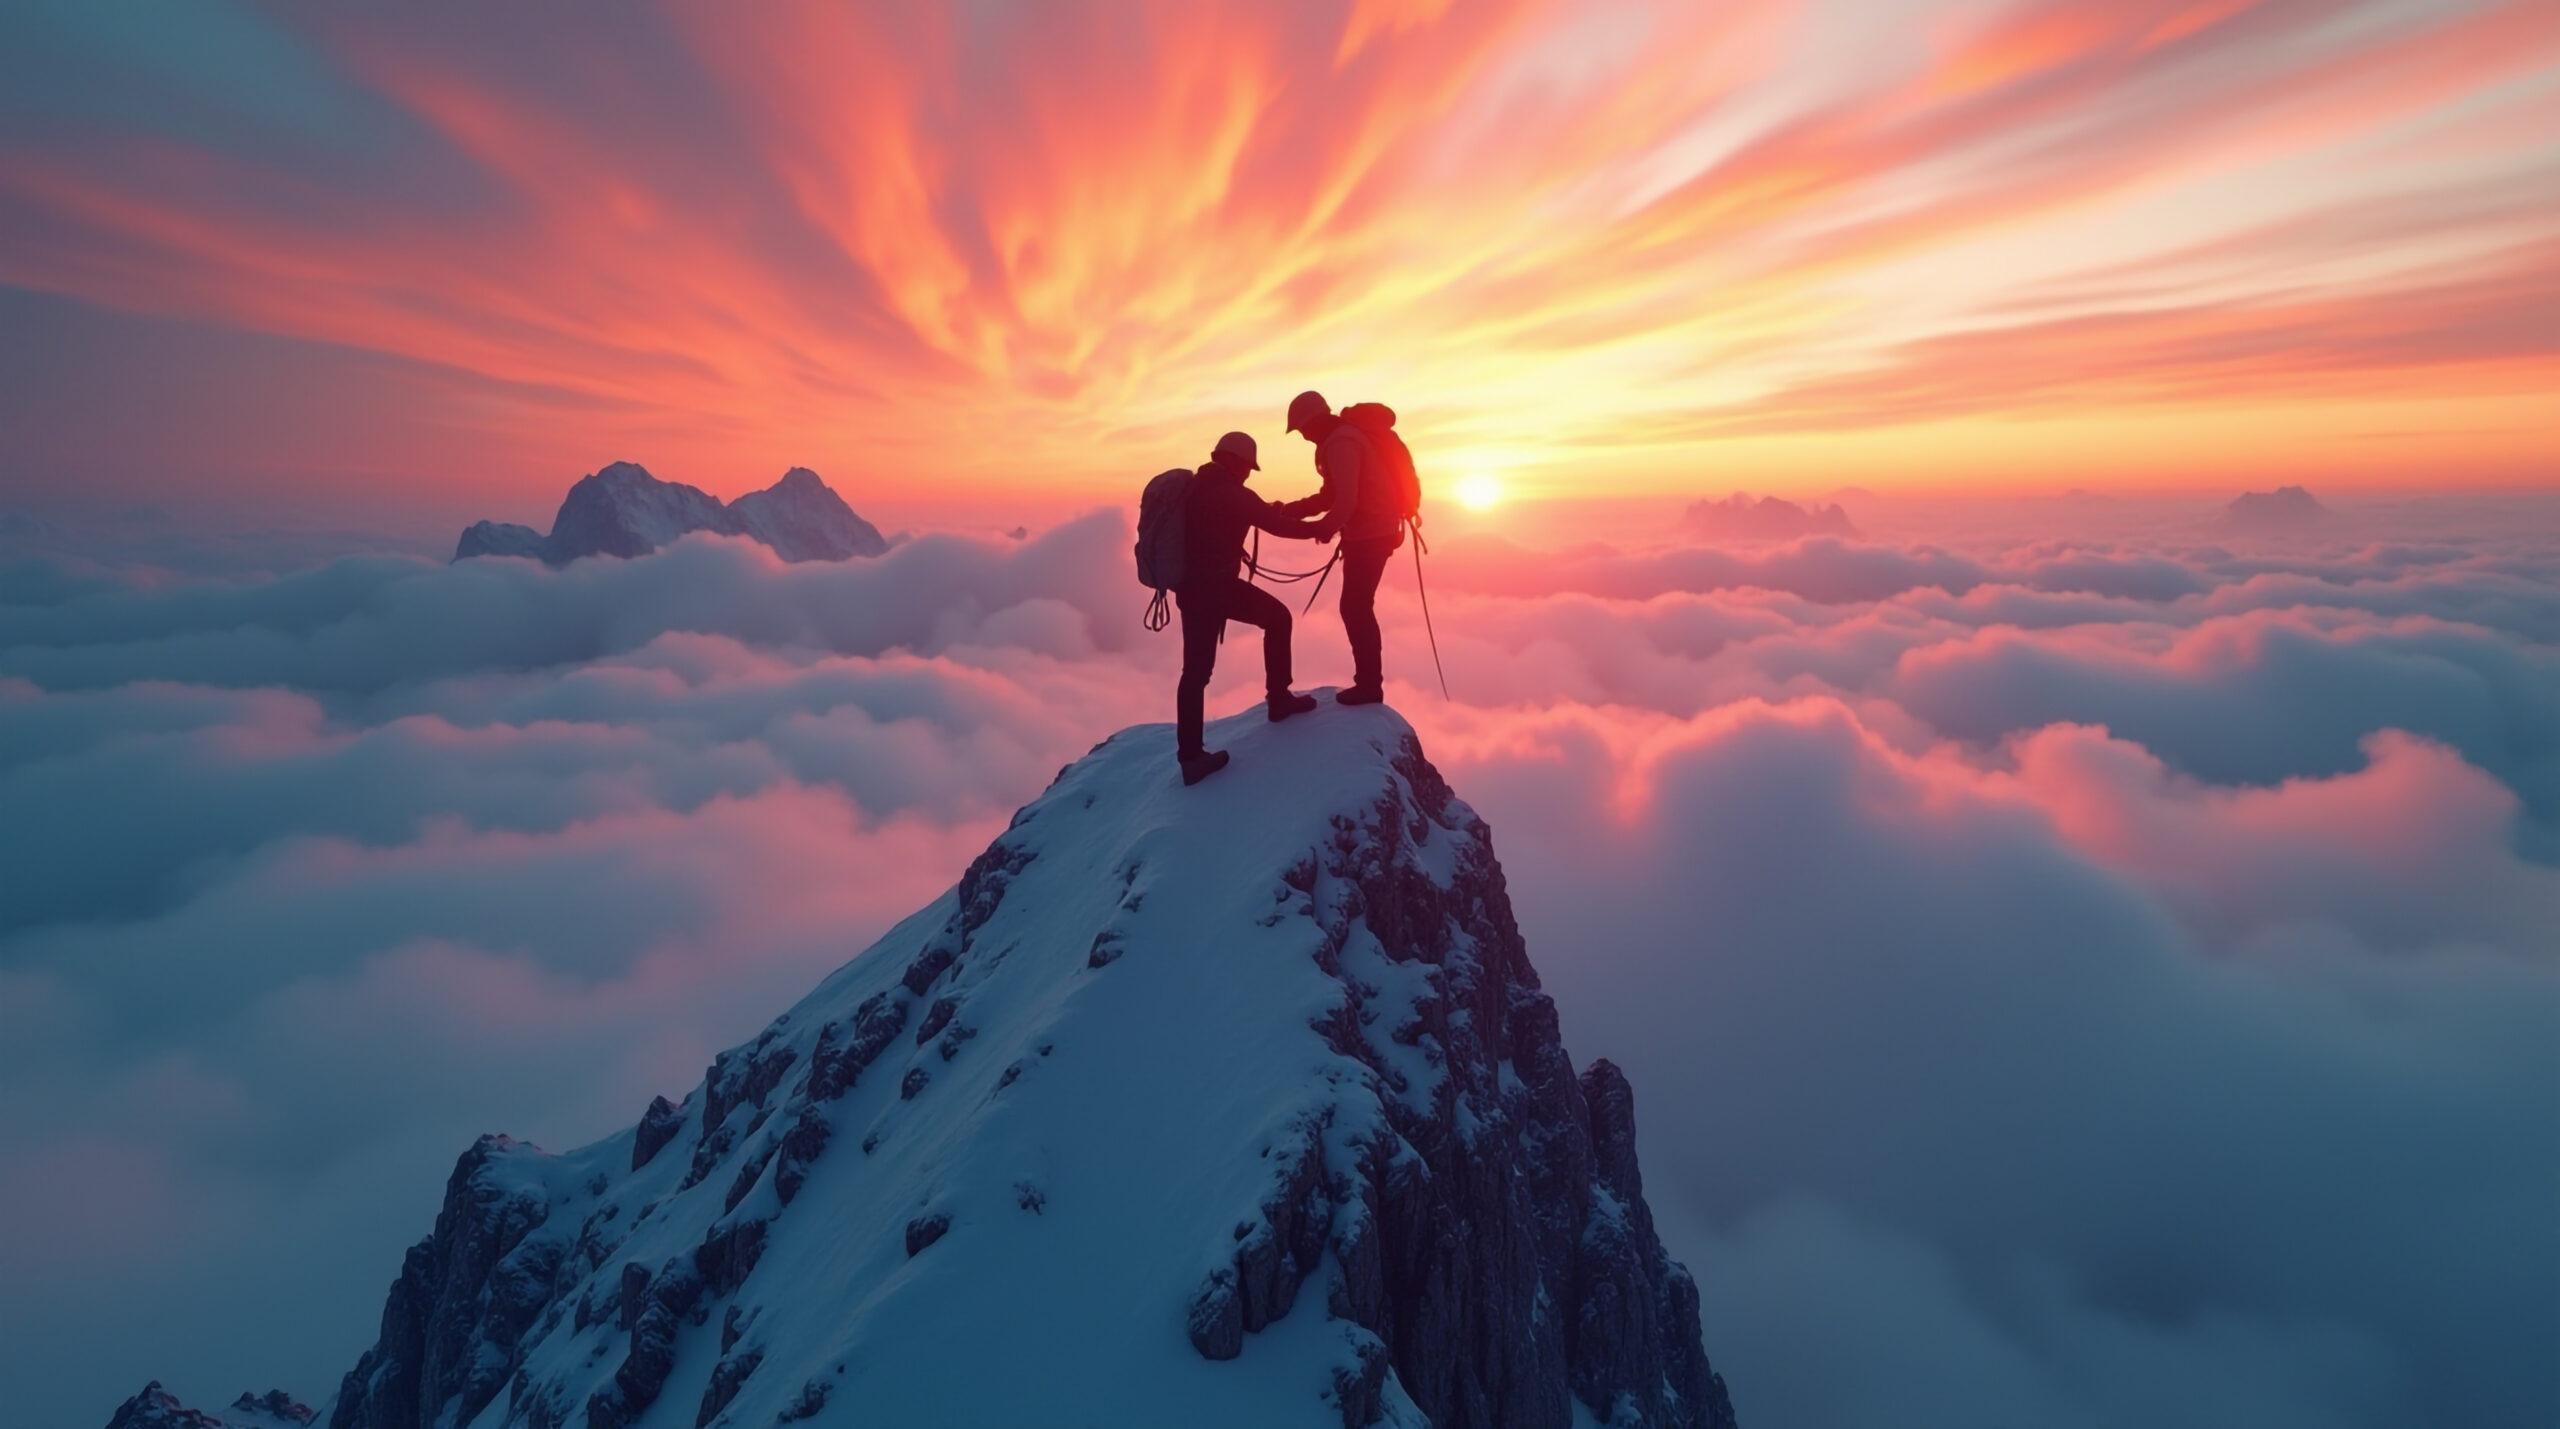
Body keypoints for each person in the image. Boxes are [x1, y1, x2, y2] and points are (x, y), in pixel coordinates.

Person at [1172, 431, 1328, 786]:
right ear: (1237, 462)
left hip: (1191, 590)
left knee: (1194, 674)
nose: (1247, 474)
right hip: (1217, 589)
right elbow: (1277, 525)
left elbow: (1248, 514)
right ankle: (1279, 699)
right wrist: (1320, 528)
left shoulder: (1197, 488)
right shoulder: (1231, 493)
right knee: (1278, 618)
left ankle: (1191, 757)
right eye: (1247, 467)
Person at [1284, 390, 1402, 706]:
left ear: (1314, 421)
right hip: (1371, 533)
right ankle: (1368, 684)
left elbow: (1345, 500)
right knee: (1357, 606)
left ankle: (1369, 686)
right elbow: (1331, 496)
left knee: (1356, 607)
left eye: (1303, 430)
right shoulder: (1338, 441)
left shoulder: (1341, 443)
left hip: (1370, 535)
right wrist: (1288, 510)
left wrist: (1326, 527)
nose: (1305, 437)